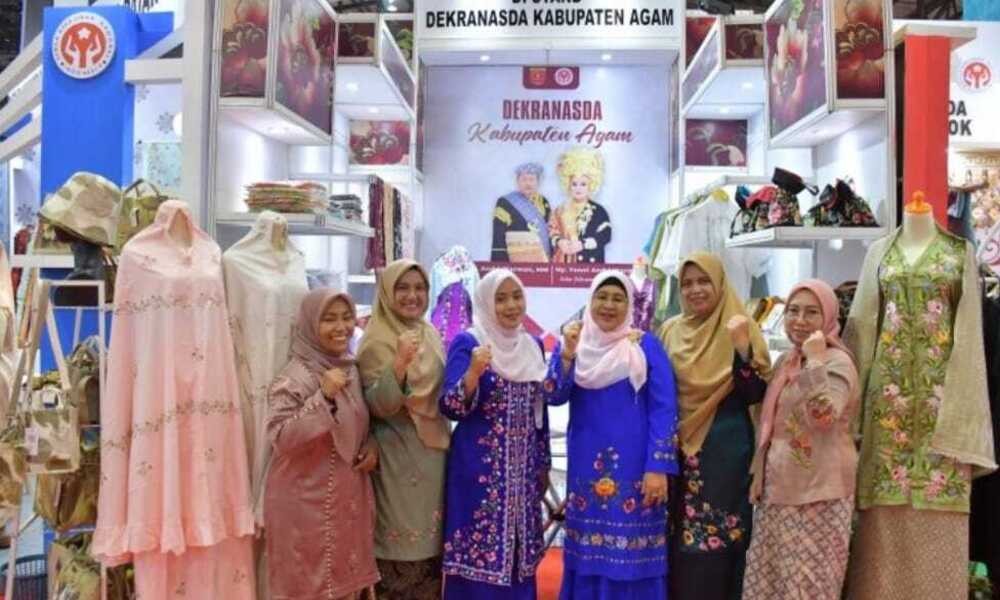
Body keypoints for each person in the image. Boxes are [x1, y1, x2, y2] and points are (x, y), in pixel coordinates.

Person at [549, 271, 680, 599]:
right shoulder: (575, 345)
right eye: (602, 297)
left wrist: (658, 467)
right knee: (588, 551)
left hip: (636, 470)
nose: (609, 305)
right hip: (586, 467)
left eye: (618, 298)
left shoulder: (644, 346)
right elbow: (554, 394)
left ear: (630, 304)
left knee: (633, 555)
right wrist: (566, 354)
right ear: (590, 301)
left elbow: (664, 409)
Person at [658, 252, 771, 600]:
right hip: (679, 451)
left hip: (725, 452)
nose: (695, 290)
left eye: (704, 281)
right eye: (687, 283)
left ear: (720, 283)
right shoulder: (670, 330)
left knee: (722, 543)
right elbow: (658, 391)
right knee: (680, 540)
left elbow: (755, 393)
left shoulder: (741, 325)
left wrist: (741, 350)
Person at [741, 279, 859, 599]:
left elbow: (824, 417)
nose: (799, 320)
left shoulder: (837, 362)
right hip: (779, 490)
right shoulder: (788, 361)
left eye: (811, 312)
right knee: (771, 583)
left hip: (819, 494)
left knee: (808, 586)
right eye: (793, 311)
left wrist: (817, 360)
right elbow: (771, 424)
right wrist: (759, 474)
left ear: (829, 317)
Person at [439, 269, 550, 599]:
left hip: (523, 477)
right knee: (479, 561)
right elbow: (450, 406)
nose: (511, 305)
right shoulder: (469, 342)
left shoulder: (531, 345)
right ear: (486, 302)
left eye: (517, 296)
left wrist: (542, 464)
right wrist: (473, 373)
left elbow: (539, 413)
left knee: (518, 558)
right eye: (500, 299)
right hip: (479, 476)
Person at [265, 289, 380, 600]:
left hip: (344, 503)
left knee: (344, 587)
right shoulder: (295, 377)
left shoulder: (349, 368)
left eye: (346, 318)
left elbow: (357, 422)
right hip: (304, 508)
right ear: (310, 325)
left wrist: (370, 444)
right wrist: (323, 397)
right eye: (329, 319)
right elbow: (280, 437)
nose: (341, 327)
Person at [357, 259, 452, 600]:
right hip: (395, 458)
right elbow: (376, 406)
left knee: (430, 561)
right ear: (386, 292)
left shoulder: (430, 333)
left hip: (434, 456)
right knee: (397, 556)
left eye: (420, 288)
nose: (413, 296)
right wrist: (398, 364)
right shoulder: (376, 340)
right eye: (403, 288)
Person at [549, 147, 612, 264]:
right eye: (574, 184)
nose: (578, 188)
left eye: (583, 184)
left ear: (591, 185)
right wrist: (559, 242)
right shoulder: (559, 211)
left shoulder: (599, 211)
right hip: (564, 266)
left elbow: (606, 235)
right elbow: (551, 232)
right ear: (568, 185)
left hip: (590, 266)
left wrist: (583, 244)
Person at [491, 163, 553, 262]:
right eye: (524, 179)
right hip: (515, 262)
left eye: (532, 179)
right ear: (517, 181)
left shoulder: (544, 202)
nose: (528, 184)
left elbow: (549, 232)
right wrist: (500, 264)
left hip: (542, 262)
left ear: (537, 182)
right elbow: (498, 237)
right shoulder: (505, 203)